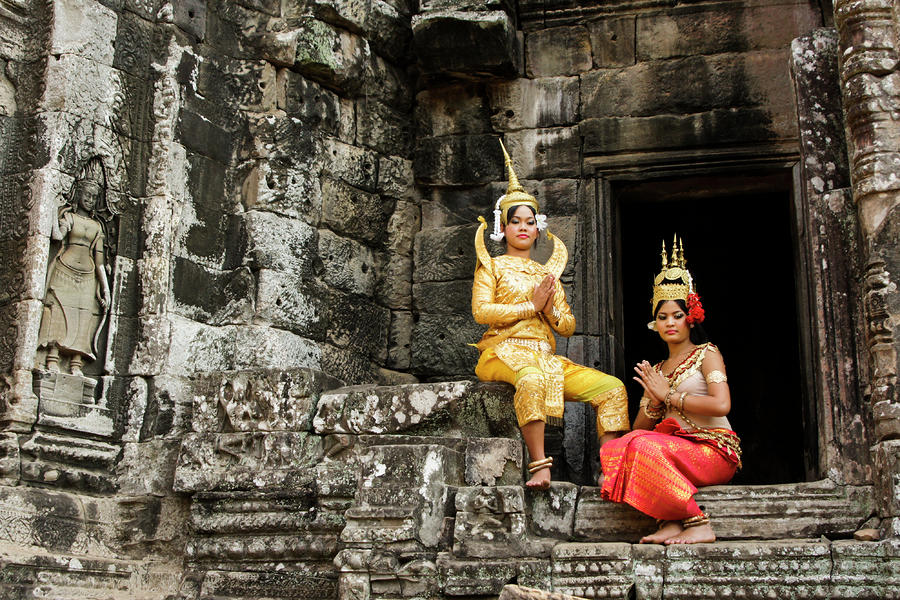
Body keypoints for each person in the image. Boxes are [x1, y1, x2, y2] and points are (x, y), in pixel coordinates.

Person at [471, 141, 629, 490]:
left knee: (613, 388)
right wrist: (530, 306)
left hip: (545, 356)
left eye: (529, 222)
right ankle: (540, 466)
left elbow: (568, 326)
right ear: (504, 228)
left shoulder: (547, 275)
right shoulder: (492, 267)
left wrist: (550, 306)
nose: (523, 228)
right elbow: (481, 312)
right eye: (516, 222)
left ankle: (612, 470)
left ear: (538, 228)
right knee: (530, 379)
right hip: (502, 351)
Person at [599, 237, 741, 544]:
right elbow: (639, 429)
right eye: (662, 317)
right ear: (655, 323)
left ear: (690, 318)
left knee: (644, 447)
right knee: (618, 446)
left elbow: (722, 405)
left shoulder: (707, 353)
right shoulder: (658, 369)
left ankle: (697, 521)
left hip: (714, 450)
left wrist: (671, 397)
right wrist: (652, 400)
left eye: (677, 315)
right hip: (676, 452)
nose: (670, 323)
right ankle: (671, 520)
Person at [38, 157, 112, 376]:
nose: (90, 200)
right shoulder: (69, 217)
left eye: (94, 197)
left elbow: (99, 262)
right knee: (59, 311)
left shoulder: (97, 226)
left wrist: (105, 288)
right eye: (87, 195)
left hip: (88, 275)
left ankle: (76, 362)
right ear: (78, 195)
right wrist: (53, 210)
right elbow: (57, 235)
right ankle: (52, 357)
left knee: (85, 316)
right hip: (65, 269)